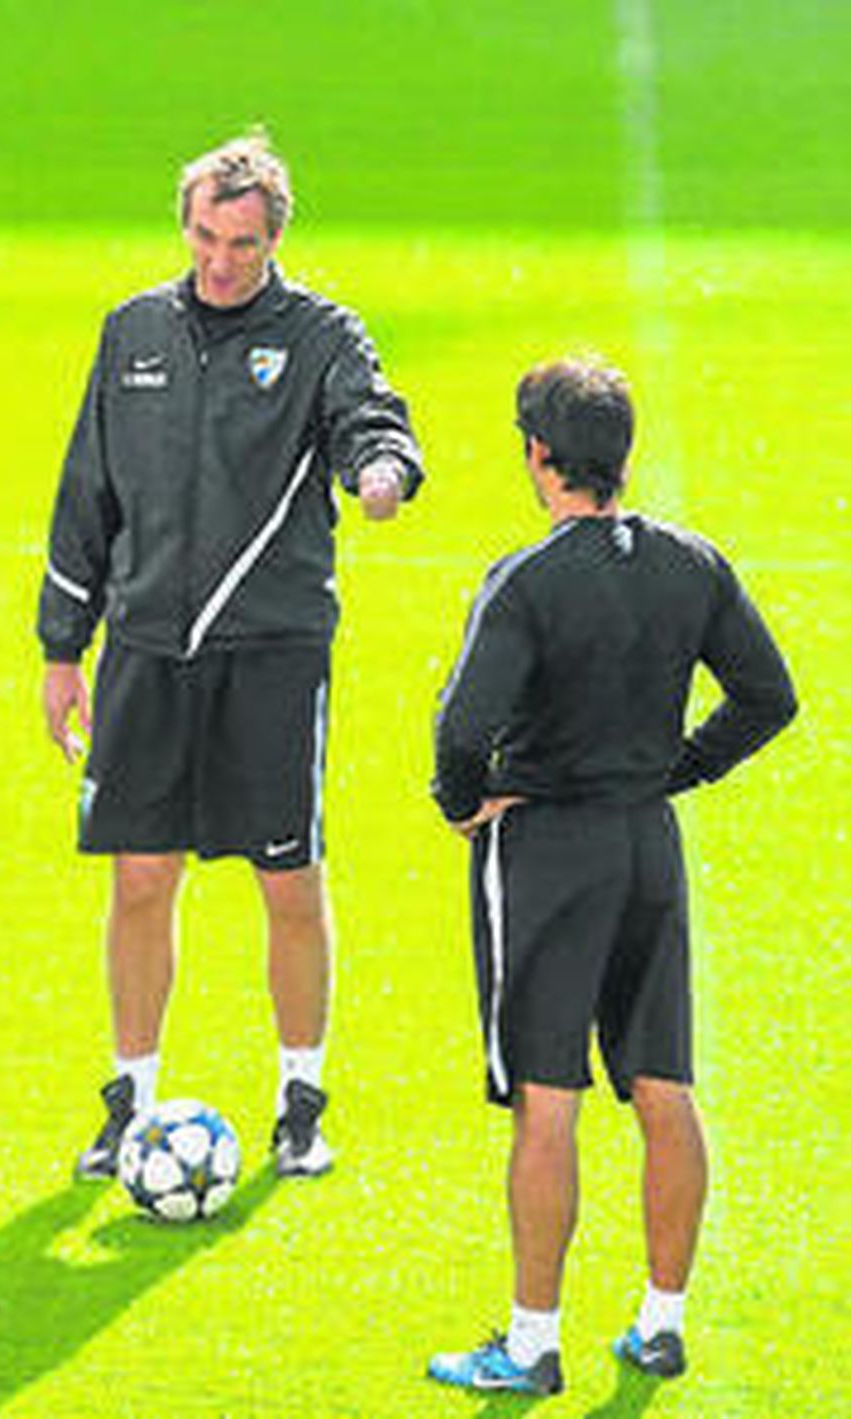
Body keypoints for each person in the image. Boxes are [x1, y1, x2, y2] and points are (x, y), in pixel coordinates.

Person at [37, 133, 425, 1182]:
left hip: (270, 652)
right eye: (206, 238)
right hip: (146, 650)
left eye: (241, 245)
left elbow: (369, 421)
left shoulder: (318, 336)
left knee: (287, 876)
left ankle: (300, 1101)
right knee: (138, 878)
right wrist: (60, 648)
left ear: (275, 239)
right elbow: (87, 496)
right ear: (185, 226)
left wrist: (383, 471)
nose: (219, 262)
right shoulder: (131, 333)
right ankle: (132, 1103)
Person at [426, 358, 796, 1394]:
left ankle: (531, 1344)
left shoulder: (526, 578)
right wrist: (676, 769)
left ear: (539, 456)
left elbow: (462, 728)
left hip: (547, 854)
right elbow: (769, 697)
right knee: (663, 1088)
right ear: (619, 454)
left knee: (548, 1101)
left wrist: (461, 804)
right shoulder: (692, 563)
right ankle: (662, 1321)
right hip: (647, 850)